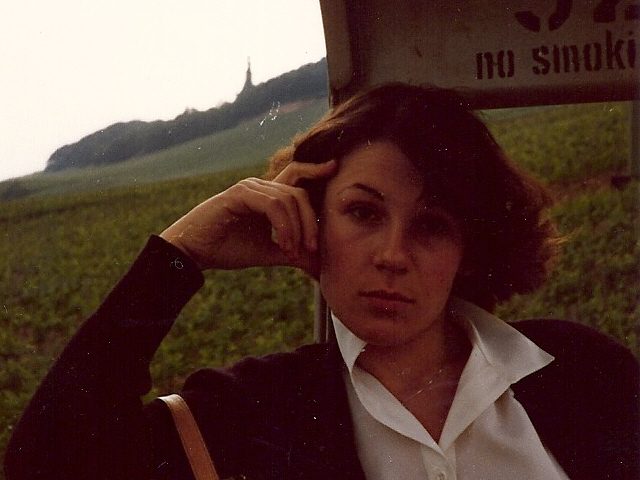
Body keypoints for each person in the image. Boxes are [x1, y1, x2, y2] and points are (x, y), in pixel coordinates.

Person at [5, 84, 639, 480]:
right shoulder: (246, 413)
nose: (392, 255)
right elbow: (45, 465)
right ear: (311, 219)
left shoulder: (582, 370)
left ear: (468, 247)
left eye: (432, 225)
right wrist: (179, 256)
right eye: (363, 213)